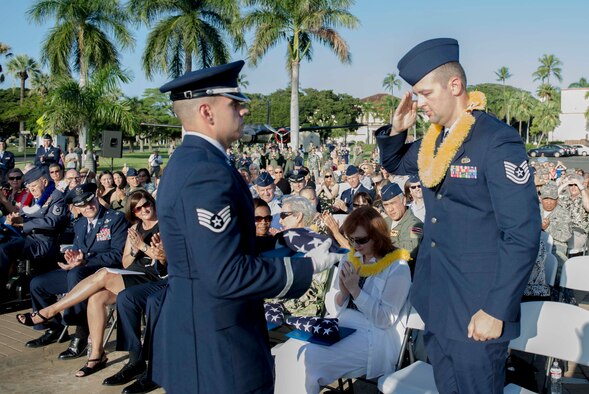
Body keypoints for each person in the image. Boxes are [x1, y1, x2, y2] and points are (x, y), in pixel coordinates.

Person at [153, 60, 339, 393]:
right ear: (208, 112)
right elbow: (225, 273)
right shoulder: (204, 173)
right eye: (235, 103)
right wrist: (305, 267)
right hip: (216, 347)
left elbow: (219, 251)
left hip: (204, 335)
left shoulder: (192, 162)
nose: (244, 111)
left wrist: (289, 252)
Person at [376, 38, 540, 393]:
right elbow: (393, 163)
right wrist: (398, 128)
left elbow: (522, 235)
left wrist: (496, 310)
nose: (418, 103)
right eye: (415, 95)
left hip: (478, 307)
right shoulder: (434, 139)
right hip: (439, 302)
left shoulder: (495, 140)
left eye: (424, 93)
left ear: (455, 86)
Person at [17, 190, 163, 378]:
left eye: (146, 204)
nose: (143, 210)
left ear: (152, 202)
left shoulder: (162, 225)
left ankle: (51, 313)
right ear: (133, 213)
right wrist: (135, 249)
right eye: (137, 209)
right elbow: (127, 262)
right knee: (96, 297)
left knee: (101, 274)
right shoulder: (133, 229)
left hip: (153, 276)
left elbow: (162, 258)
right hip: (130, 273)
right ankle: (96, 355)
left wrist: (143, 247)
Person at [273, 206, 412, 394]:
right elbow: (334, 307)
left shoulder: (397, 267)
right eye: (351, 239)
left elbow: (384, 319)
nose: (356, 246)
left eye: (361, 240)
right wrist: (343, 293)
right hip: (341, 326)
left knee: (307, 360)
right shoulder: (350, 258)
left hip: (373, 336)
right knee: (288, 352)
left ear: (378, 235)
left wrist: (356, 291)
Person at [24, 182, 127, 359]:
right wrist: (72, 259)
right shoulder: (79, 224)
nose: (88, 207)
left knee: (75, 274)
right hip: (80, 270)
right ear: (76, 208)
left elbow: (118, 255)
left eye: (90, 201)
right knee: (37, 283)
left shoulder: (115, 218)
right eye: (82, 205)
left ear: (96, 197)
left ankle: (80, 332)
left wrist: (85, 261)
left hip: (105, 274)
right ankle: (53, 328)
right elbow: (79, 250)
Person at [0, 167, 69, 298]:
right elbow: (22, 214)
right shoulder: (30, 198)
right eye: (29, 187)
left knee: (4, 250)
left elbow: (52, 222)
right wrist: (13, 219)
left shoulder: (56, 196)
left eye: (34, 186)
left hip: (43, 242)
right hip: (27, 238)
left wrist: (23, 223)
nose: (31, 190)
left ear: (44, 182)